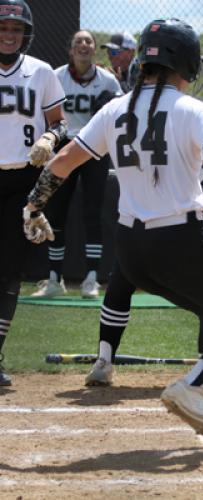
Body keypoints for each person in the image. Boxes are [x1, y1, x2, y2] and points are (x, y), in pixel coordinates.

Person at [23, 18, 203, 447]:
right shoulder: (191, 108)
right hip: (181, 237)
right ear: (187, 62)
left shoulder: (115, 107)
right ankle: (194, 384)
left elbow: (62, 160)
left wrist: (33, 205)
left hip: (132, 249)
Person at [84, 162, 203, 386]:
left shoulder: (190, 124)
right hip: (145, 202)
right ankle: (104, 360)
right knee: (121, 278)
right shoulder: (125, 124)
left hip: (192, 201)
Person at [0, 0, 66, 385]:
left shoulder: (41, 72)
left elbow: (62, 125)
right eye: (3, 28)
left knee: (9, 272)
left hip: (22, 179)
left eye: (15, 30)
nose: (9, 36)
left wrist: (48, 136)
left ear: (25, 34)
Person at [31, 30, 122, 299]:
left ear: (94, 49)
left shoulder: (107, 80)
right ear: (70, 50)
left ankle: (91, 278)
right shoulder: (57, 76)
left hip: (94, 148)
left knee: (93, 212)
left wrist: (111, 106)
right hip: (64, 146)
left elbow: (119, 114)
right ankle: (53, 279)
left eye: (88, 41)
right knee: (56, 212)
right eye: (78, 42)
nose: (83, 45)